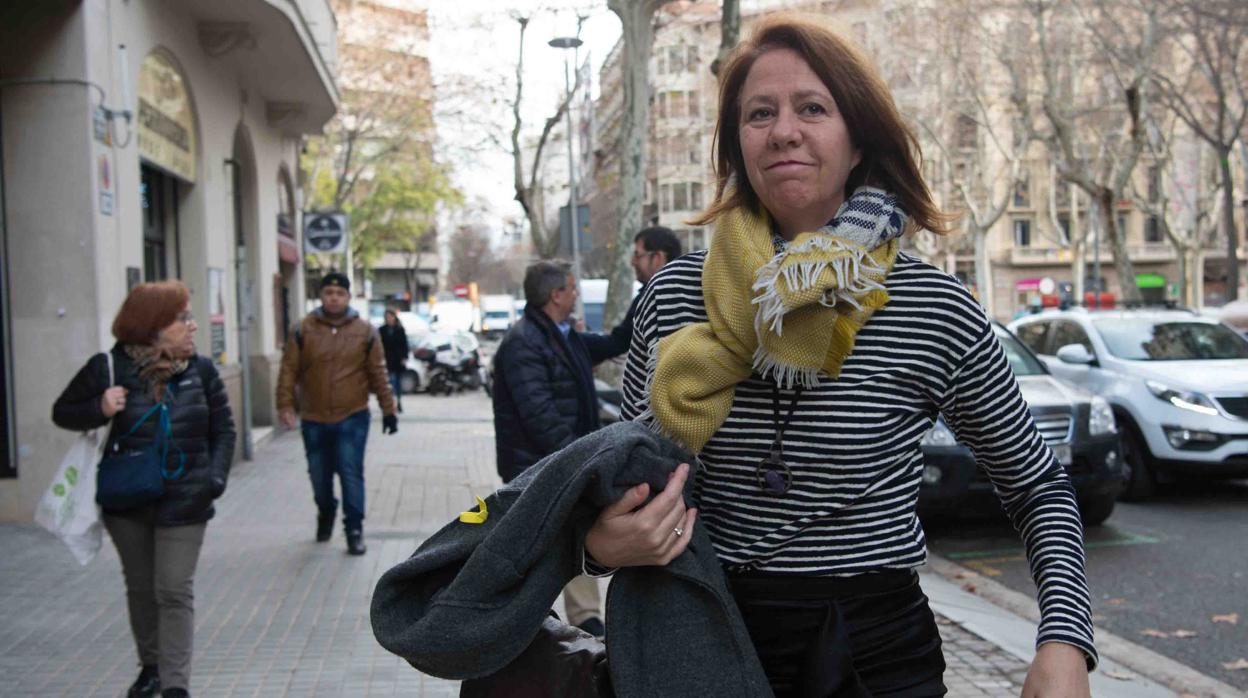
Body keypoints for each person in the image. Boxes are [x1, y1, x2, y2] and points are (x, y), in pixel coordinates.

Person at [584, 15, 1096, 697]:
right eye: (759, 113)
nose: (784, 130)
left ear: (857, 140)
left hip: (875, 659)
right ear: (738, 146)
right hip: (697, 642)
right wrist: (599, 550)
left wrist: (1064, 642)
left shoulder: (933, 306)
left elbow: (1039, 487)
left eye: (812, 108)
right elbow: (633, 487)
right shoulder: (675, 296)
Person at [52, 281, 235, 698]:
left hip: (186, 499)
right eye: (182, 318)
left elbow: (223, 429)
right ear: (152, 325)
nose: (192, 325)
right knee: (141, 587)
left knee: (172, 588)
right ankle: (151, 665)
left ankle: (174, 684)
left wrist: (215, 480)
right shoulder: (109, 368)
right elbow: (61, 412)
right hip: (126, 499)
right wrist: (98, 408)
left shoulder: (201, 370)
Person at [491, 260, 605, 637]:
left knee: (568, 537)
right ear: (556, 295)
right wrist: (579, 458)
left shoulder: (558, 335)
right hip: (537, 468)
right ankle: (523, 621)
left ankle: (585, 618)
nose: (575, 294)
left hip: (556, 464)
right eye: (572, 288)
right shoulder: (524, 341)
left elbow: (607, 346)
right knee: (544, 545)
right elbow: (539, 414)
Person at [276, 272, 398, 556]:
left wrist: (388, 409)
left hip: (352, 415)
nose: (334, 298)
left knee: (350, 472)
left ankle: (354, 529)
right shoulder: (302, 329)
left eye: (339, 293)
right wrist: (284, 404)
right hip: (314, 417)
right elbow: (288, 370)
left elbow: (378, 372)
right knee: (319, 476)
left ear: (348, 297)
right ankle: (326, 510)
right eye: (329, 293)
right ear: (321, 296)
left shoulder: (365, 331)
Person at [582, 226, 683, 363]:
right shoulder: (689, 293)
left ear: (658, 258)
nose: (632, 262)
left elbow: (618, 343)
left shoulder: (650, 299)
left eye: (637, 255)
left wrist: (567, 338)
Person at [379, 308, 410, 413]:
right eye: (387, 317)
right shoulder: (382, 330)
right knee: (390, 382)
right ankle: (391, 403)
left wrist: (404, 358)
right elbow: (379, 346)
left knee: (398, 383)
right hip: (387, 360)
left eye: (390, 316)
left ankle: (399, 401)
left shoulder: (400, 329)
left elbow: (405, 345)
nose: (389, 319)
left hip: (398, 360)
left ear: (394, 317)